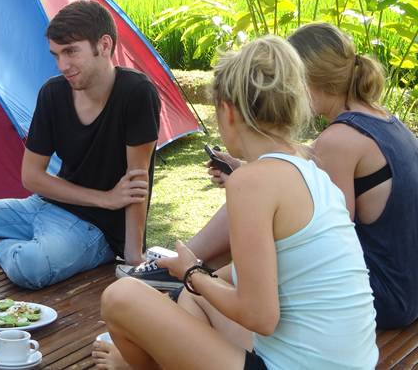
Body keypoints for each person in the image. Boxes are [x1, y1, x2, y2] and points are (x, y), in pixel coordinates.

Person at [100, 35, 379, 369]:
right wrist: (199, 279)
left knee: (121, 297)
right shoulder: (312, 171)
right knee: (194, 299)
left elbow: (260, 317)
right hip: (350, 362)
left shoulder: (251, 181)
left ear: (227, 111)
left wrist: (192, 272)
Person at [0, 0, 161, 289]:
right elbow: (31, 177)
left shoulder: (136, 93)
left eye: (71, 52)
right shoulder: (53, 93)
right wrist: (104, 197)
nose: (63, 65)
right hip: (40, 207)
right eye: (56, 55)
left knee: (31, 265)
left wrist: (134, 259)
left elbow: (137, 183)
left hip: (95, 230)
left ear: (105, 45)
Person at [177, 23, 418, 330]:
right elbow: (303, 172)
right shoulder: (380, 119)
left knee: (253, 210)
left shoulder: (339, 140)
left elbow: (325, 238)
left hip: (383, 296)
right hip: (406, 287)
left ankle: (185, 267)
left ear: (306, 80)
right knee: (251, 192)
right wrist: (243, 170)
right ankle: (191, 267)